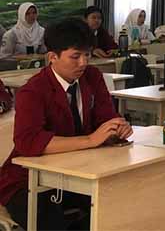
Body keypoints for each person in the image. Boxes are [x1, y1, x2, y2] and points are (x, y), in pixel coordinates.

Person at [0, 18, 132, 230]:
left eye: (87, 55)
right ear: (52, 57)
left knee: (117, 207)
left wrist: (116, 129)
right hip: (27, 181)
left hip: (79, 171)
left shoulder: (93, 77)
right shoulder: (32, 91)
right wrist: (90, 139)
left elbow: (106, 118)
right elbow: (28, 142)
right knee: (53, 222)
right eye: (75, 56)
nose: (83, 63)